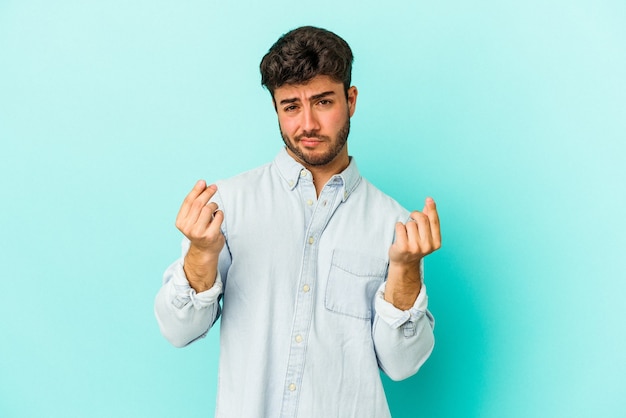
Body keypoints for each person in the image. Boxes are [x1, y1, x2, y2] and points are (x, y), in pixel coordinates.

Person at [154, 26, 441, 418]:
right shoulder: (227, 207)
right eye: (291, 106)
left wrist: (406, 270)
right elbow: (178, 330)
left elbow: (402, 365)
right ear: (276, 109)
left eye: (323, 102)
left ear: (351, 99)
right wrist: (201, 255)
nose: (307, 123)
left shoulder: (394, 226)